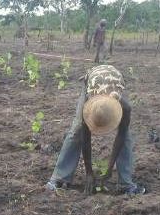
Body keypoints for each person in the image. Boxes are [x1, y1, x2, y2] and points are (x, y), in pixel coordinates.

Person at [46, 65, 145, 196]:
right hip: (93, 80)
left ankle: (126, 184)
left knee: (126, 136)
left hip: (114, 80)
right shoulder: (89, 103)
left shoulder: (124, 107)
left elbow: (120, 136)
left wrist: (109, 168)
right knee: (77, 130)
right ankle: (58, 178)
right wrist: (89, 173)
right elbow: (85, 138)